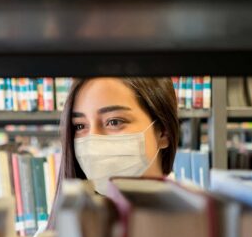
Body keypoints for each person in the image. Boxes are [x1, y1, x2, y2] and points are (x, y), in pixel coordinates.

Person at [48, 77, 179, 229]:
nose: (93, 144)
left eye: (114, 122)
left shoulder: (195, 229)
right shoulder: (55, 234)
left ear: (164, 132)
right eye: (79, 126)